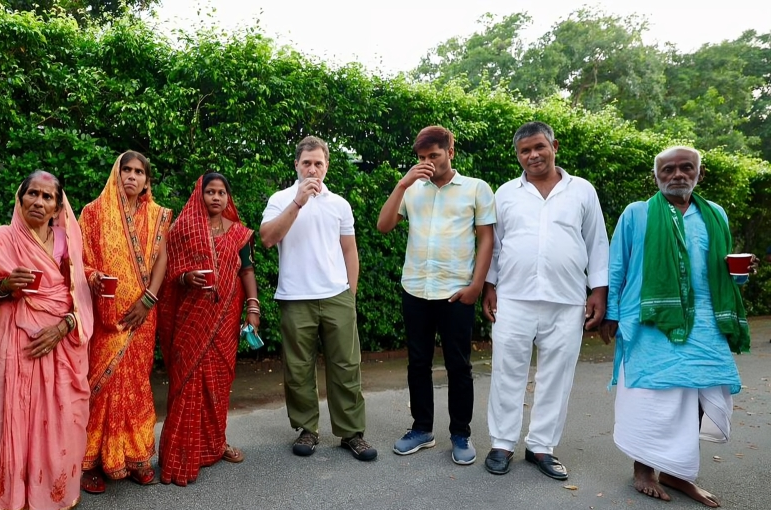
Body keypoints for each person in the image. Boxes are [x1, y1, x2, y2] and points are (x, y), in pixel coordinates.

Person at [600, 146, 752, 507]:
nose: (677, 175)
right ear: (656, 176)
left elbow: (725, 273)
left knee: (699, 389)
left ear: (700, 174)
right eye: (668, 170)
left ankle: (676, 472)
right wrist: (612, 313)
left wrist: (742, 277)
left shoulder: (716, 214)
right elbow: (617, 265)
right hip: (649, 320)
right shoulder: (637, 215)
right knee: (652, 395)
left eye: (687, 168)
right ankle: (644, 470)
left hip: (706, 321)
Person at [482, 121, 609, 480]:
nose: (533, 155)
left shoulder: (582, 191)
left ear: (554, 145)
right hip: (514, 297)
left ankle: (541, 447)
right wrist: (489, 286)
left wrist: (598, 291)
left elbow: (596, 242)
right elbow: (495, 244)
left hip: (567, 300)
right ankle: (502, 443)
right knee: (507, 371)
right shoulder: (505, 193)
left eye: (539, 147)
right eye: (525, 150)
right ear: (518, 155)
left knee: (557, 375)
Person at [0, 171, 93, 510]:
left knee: (58, 414)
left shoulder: (65, 239)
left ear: (58, 206)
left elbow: (76, 292)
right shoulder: (1, 236)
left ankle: (52, 494)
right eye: (32, 193)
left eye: (48, 197)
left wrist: (64, 326)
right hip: (17, 340)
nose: (39, 202)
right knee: (13, 415)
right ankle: (7, 502)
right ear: (21, 196)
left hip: (59, 337)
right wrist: (4, 286)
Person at [376, 126, 495, 464]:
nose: (427, 163)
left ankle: (460, 434)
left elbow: (486, 238)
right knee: (418, 363)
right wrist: (402, 183)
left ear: (450, 152)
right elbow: (384, 226)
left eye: (434, 155)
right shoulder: (412, 190)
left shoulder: (475, 189)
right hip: (416, 288)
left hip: (456, 291)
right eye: (421, 157)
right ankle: (422, 429)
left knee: (459, 365)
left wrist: (476, 285)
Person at [260, 136, 377, 461]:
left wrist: (349, 295)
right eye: (307, 163)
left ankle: (352, 433)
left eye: (319, 163)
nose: (313, 169)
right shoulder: (280, 199)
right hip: (295, 297)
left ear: (327, 166)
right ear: (296, 164)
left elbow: (349, 249)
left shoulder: (339, 204)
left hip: (336, 296)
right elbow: (268, 239)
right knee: (298, 369)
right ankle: (307, 429)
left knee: (346, 366)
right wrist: (297, 202)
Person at [156, 172, 261, 486]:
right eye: (210, 192)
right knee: (186, 382)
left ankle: (216, 443)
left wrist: (253, 307)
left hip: (225, 320)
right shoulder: (182, 230)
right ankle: (181, 453)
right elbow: (168, 271)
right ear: (198, 196)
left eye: (221, 193)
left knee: (217, 385)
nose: (216, 197)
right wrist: (186, 278)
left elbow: (247, 271)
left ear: (228, 198)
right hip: (190, 319)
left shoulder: (239, 234)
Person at [79, 151, 172, 490]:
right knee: (100, 385)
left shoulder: (158, 216)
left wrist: (149, 298)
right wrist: (95, 278)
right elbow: (81, 261)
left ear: (147, 180)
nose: (132, 176)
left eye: (139, 172)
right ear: (115, 175)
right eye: (126, 170)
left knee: (136, 384)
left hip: (142, 315)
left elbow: (163, 258)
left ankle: (135, 457)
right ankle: (91, 461)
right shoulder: (93, 213)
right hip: (106, 316)